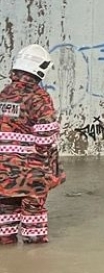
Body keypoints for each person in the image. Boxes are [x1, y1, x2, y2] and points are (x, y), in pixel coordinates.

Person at [0, 44, 64, 245]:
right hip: (31, 171)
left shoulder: (4, 94)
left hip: (3, 169)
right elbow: (46, 135)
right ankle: (33, 261)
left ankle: (7, 249)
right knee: (33, 215)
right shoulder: (39, 97)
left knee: (5, 211)